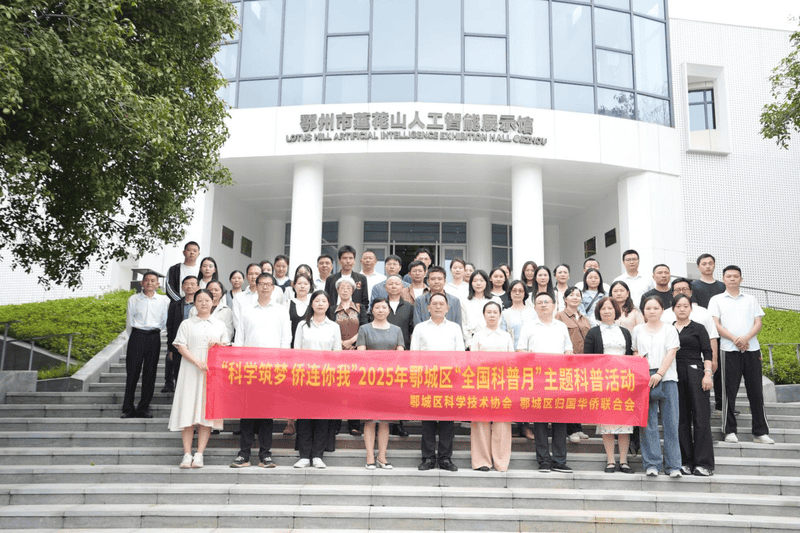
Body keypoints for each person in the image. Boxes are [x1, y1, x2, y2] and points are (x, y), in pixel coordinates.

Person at [230, 273, 291, 469]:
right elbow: (239, 338)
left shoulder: (281, 311)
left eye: (268, 284)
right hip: (249, 368)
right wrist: (238, 363)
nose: (265, 287)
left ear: (273, 288)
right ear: (255, 286)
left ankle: (265, 454)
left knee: (266, 413)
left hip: (271, 369)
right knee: (247, 412)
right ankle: (244, 454)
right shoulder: (247, 310)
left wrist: (281, 364)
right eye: (261, 284)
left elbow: (285, 340)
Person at [708, 266, 773, 444]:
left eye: (735, 276)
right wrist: (735, 339)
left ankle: (760, 432)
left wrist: (746, 338)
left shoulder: (751, 299)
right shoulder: (716, 300)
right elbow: (715, 324)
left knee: (756, 392)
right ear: (723, 279)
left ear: (741, 279)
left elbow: (758, 322)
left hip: (752, 349)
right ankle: (729, 430)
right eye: (728, 276)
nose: (732, 279)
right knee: (729, 392)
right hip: (728, 350)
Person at [169, 289, 230, 468]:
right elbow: (181, 346)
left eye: (207, 300)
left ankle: (200, 454)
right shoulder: (187, 324)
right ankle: (187, 454)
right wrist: (197, 362)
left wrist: (217, 345)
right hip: (190, 370)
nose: (204, 303)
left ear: (213, 302)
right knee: (187, 411)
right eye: (200, 300)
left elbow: (226, 348)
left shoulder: (219, 325)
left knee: (206, 414)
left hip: (211, 373)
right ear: (194, 303)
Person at [517, 292, 574, 472]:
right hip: (537, 379)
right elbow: (520, 351)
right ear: (534, 307)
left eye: (546, 302)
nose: (543, 305)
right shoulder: (528, 326)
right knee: (540, 421)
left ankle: (559, 460)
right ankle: (543, 460)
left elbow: (569, 351)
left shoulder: (561, 326)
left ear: (553, 306)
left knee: (560, 420)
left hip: (559, 379)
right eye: (539, 302)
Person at [412, 293, 465, 471]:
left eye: (441, 304)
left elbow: (460, 355)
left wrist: (456, 378)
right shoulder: (420, 328)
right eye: (434, 304)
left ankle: (445, 458)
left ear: (447, 308)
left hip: (449, 379)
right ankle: (428, 457)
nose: (438, 307)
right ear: (428, 308)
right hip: (426, 379)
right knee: (427, 420)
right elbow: (414, 354)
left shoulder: (455, 328)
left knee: (447, 421)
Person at [583, 297, 635, 473]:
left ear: (616, 311)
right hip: (603, 383)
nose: (607, 311)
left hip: (623, 383)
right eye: (603, 308)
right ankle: (611, 460)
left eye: (610, 308)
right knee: (607, 423)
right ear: (599, 312)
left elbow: (630, 357)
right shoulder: (593, 332)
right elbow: (588, 360)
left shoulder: (625, 332)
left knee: (625, 424)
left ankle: (624, 461)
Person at [293, 290, 342, 469]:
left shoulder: (333, 326)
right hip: (305, 377)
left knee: (322, 417)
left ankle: (318, 455)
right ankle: (304, 456)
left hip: (326, 377)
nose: (320, 303)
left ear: (328, 305)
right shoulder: (302, 325)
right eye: (317, 300)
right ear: (311, 303)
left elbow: (337, 352)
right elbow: (297, 351)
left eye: (324, 301)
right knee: (304, 417)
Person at [634, 296, 681, 477]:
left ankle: (674, 465)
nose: (652, 311)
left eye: (655, 308)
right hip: (645, 379)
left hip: (667, 378)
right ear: (643, 311)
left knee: (671, 422)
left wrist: (660, 373)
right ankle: (652, 464)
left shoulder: (670, 329)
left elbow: (671, 353)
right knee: (648, 423)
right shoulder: (638, 330)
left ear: (662, 310)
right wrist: (641, 363)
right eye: (648, 308)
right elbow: (635, 350)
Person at [670, 294, 715, 477]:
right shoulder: (668, 328)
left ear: (690, 308)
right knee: (680, 420)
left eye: (685, 306)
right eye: (678, 306)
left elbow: (708, 352)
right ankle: (685, 462)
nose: (682, 309)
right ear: (673, 309)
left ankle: (703, 463)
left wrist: (707, 374)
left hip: (696, 373)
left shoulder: (698, 328)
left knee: (701, 418)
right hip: (674, 375)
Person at [357, 298, 405, 469]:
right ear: (372, 310)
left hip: (389, 380)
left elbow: (400, 354)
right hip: (369, 380)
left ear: (388, 310)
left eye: (384, 307)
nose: (381, 310)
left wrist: (387, 368)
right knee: (369, 420)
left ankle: (382, 456)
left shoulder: (397, 330)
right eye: (377, 307)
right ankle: (370, 456)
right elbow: (361, 354)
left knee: (385, 420)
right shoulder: (364, 329)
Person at [470, 301, 514, 472]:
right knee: (480, 421)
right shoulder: (477, 336)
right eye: (489, 312)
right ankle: (481, 460)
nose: (492, 315)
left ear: (500, 315)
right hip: (481, 382)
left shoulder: (506, 336)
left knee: (502, 423)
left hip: (502, 383)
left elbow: (511, 361)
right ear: (484, 315)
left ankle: (501, 461)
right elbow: (472, 361)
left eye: (495, 312)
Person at [122, 271, 170, 418]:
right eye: (147, 280)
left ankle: (143, 407)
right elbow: (129, 321)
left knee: (150, 373)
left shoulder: (164, 300)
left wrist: (157, 332)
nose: (149, 283)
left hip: (154, 337)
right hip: (137, 336)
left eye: (153, 280)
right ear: (142, 283)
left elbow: (165, 320)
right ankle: (128, 408)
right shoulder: (134, 299)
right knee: (132, 372)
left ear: (158, 284)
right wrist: (135, 335)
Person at [333, 276, 368, 437]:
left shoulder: (360, 308)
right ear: (337, 290)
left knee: (354, 389)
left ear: (353, 290)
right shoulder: (332, 308)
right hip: (337, 353)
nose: (345, 290)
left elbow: (365, 327)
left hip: (356, 352)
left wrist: (350, 341)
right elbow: (329, 327)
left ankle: (354, 424)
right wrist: (340, 342)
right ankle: (335, 423)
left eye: (348, 287)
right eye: (342, 287)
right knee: (336, 388)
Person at [556, 286, 592, 443]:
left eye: (578, 295)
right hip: (567, 363)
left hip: (583, 363)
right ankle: (570, 430)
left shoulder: (584, 318)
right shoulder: (559, 316)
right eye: (571, 295)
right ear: (565, 299)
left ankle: (578, 427)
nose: (575, 297)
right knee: (568, 396)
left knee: (579, 396)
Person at [691, 253, 727, 410]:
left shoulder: (722, 286)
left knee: (720, 370)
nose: (707, 266)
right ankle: (701, 404)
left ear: (714, 265)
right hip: (702, 332)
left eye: (710, 263)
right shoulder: (694, 286)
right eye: (704, 263)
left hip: (721, 332)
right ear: (698, 267)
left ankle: (721, 404)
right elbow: (695, 310)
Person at [384, 274, 414, 438]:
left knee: (400, 390)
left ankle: (398, 423)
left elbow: (411, 329)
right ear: (385, 287)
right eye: (391, 284)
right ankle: (382, 422)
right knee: (384, 390)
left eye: (397, 284)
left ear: (402, 287)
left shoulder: (409, 307)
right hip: (382, 353)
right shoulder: (380, 305)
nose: (394, 286)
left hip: (403, 353)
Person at [163, 275, 199, 394]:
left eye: (193, 284)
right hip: (179, 346)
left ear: (198, 287)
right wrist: (170, 349)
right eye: (186, 284)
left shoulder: (201, 305)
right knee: (179, 375)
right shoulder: (175, 305)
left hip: (196, 346)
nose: (189, 286)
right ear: (182, 287)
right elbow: (170, 327)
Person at [325, 245, 369, 312]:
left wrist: (360, 314)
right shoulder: (330, 279)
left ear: (354, 261)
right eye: (345, 258)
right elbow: (326, 298)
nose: (348, 261)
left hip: (355, 315)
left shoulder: (361, 278)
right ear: (339, 261)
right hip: (334, 314)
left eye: (351, 258)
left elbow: (365, 301)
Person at [462, 270, 500, 343]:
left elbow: (499, 321)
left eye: (481, 280)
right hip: (472, 338)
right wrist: (469, 342)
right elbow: (464, 324)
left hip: (492, 338)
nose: (478, 283)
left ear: (486, 282)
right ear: (471, 283)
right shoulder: (465, 302)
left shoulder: (495, 300)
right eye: (475, 281)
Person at [500, 280, 534, 350]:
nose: (517, 293)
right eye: (514, 291)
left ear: (525, 293)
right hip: (512, 351)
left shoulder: (532, 312)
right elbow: (503, 335)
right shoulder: (505, 313)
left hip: (531, 351)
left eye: (520, 291)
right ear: (510, 293)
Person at [232, 263, 262, 337]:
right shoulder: (238, 297)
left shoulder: (266, 297)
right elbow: (236, 321)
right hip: (243, 338)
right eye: (251, 274)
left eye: (257, 274)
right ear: (246, 276)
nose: (254, 277)